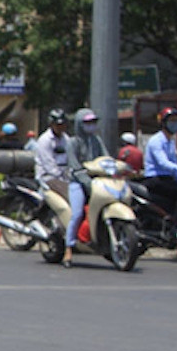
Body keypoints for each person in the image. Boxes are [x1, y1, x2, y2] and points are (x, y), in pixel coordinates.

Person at [62, 108, 111, 268]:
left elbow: (105, 158)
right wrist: (87, 182)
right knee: (76, 214)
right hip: (78, 182)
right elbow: (75, 167)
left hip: (96, 182)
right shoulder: (73, 142)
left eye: (93, 122)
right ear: (79, 124)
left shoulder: (97, 140)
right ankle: (68, 248)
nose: (91, 126)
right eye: (87, 123)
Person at [142, 107, 177, 235]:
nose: (175, 124)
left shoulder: (171, 142)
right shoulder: (156, 141)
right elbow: (164, 163)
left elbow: (174, 166)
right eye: (172, 121)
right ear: (163, 123)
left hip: (167, 178)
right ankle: (176, 227)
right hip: (154, 178)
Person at [34, 108, 71, 197]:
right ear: (51, 124)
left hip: (64, 177)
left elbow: (70, 158)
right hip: (48, 177)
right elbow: (48, 164)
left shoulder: (66, 139)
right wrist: (61, 177)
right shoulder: (45, 140)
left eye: (62, 124)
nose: (60, 127)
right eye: (57, 125)